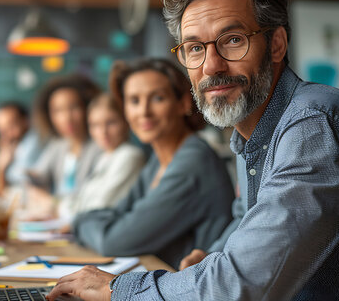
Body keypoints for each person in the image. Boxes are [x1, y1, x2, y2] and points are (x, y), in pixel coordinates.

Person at [47, 0, 339, 300]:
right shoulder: (251, 135)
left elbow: (239, 288)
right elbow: (247, 221)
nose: (211, 66)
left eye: (233, 40)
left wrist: (117, 290)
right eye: (194, 48)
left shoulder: (313, 125)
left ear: (276, 44)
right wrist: (213, 259)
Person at [71, 58, 234, 269]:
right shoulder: (159, 159)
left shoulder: (193, 160)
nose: (144, 112)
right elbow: (118, 213)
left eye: (157, 98)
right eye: (134, 101)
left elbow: (114, 241)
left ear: (184, 102)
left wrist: (78, 221)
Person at [58, 93, 146, 224]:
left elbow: (99, 208)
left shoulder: (130, 156)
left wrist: (63, 209)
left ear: (126, 122)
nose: (103, 132)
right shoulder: (104, 157)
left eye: (111, 123)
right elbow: (80, 202)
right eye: (95, 125)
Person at [27, 75, 102, 202]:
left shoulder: (100, 146)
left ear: (87, 108)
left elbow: (91, 199)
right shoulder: (58, 145)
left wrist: (50, 202)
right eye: (58, 111)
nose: (67, 118)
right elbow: (37, 178)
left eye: (74, 107)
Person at [0, 102, 43, 196]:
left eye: (10, 126)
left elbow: (2, 192)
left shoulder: (34, 142)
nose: (5, 135)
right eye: (1, 129)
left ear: (25, 121)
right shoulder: (16, 146)